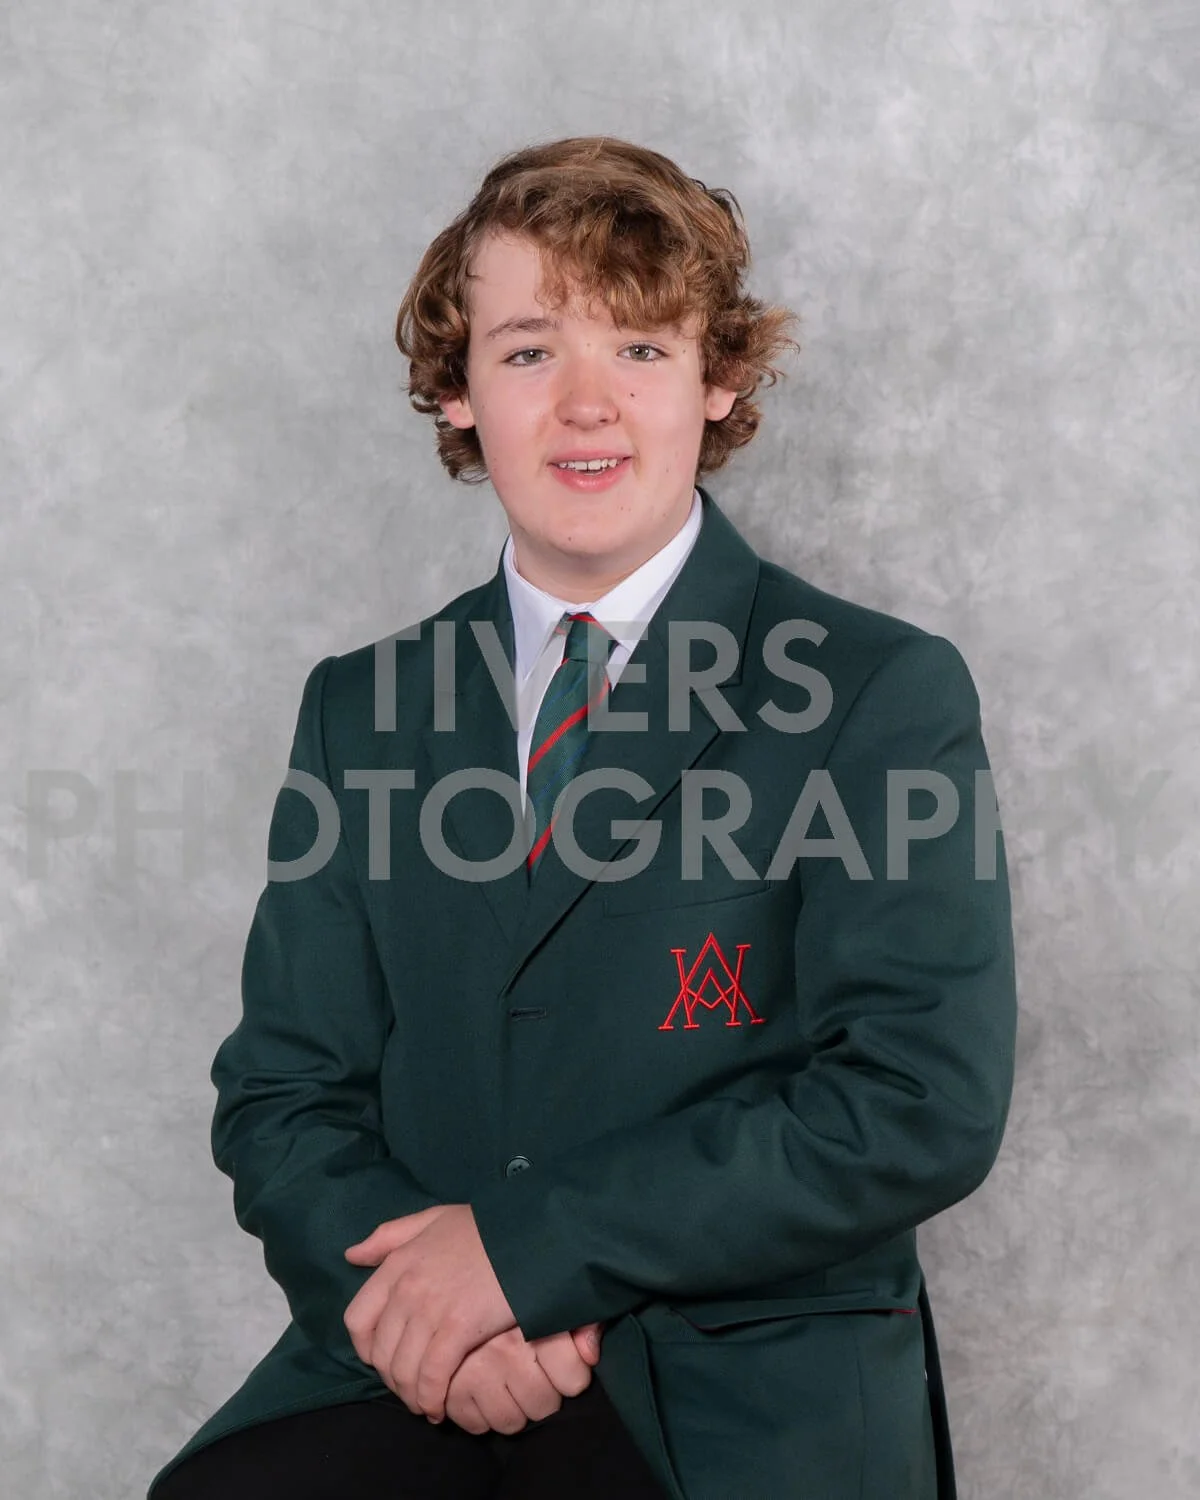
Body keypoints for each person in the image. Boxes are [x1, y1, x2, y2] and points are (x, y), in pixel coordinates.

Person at [148, 135, 1017, 1500]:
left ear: (720, 381)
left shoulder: (875, 692)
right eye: (530, 351)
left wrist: (519, 1260)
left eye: (643, 349)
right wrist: (429, 1310)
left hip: (731, 1401)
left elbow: (916, 1101)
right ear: (458, 392)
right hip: (411, 1373)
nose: (587, 406)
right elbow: (283, 1094)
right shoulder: (362, 709)